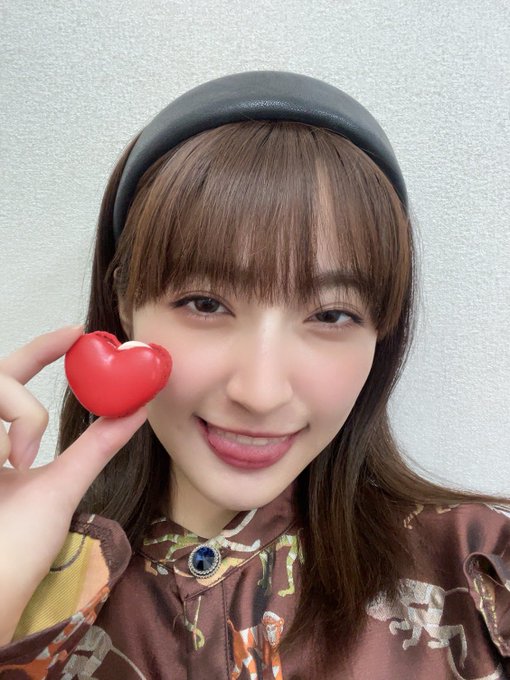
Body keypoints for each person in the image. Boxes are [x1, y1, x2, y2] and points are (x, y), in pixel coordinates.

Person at [0, 71, 509, 679]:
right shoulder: (32, 575)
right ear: (124, 304)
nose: (261, 394)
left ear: (381, 332)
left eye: (331, 314)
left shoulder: (481, 570)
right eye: (205, 304)